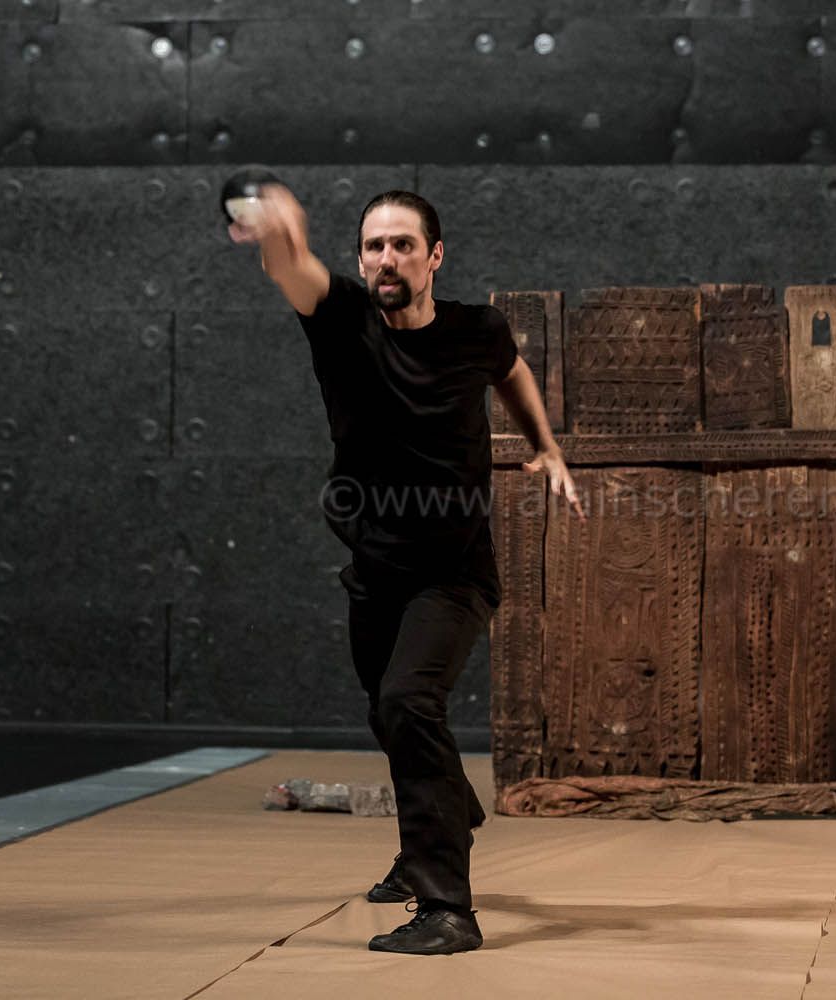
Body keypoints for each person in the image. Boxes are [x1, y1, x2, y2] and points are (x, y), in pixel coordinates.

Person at [229, 184, 583, 955]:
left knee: (408, 702)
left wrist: (545, 445)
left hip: (455, 573)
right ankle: (452, 809)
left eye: (403, 245)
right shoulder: (341, 319)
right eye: (374, 247)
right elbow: (291, 267)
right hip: (375, 569)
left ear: (434, 256)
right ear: (360, 259)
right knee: (386, 711)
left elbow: (512, 372)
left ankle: (448, 909)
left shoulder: (477, 329)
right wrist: (277, 230)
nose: (387, 258)